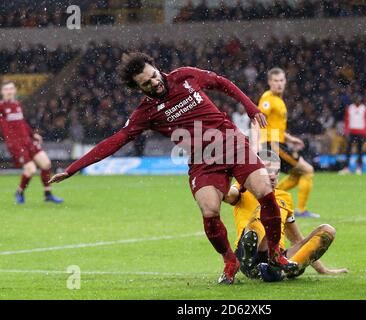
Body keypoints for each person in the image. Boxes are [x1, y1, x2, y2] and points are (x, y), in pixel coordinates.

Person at [49, 52, 297, 284]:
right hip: (203, 160)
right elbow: (115, 140)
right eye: (147, 83)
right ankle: (229, 261)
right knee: (209, 210)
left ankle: (275, 252)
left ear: (156, 68)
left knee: (265, 190)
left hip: (231, 143)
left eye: (154, 75)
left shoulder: (185, 76)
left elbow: (222, 82)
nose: (155, 82)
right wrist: (73, 168)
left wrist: (250, 107)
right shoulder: (145, 113)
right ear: (138, 88)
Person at [225, 149, 348, 281]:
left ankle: (281, 270)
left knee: (327, 231)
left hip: (277, 256)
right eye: (267, 171)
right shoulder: (242, 188)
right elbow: (226, 195)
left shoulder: (285, 197)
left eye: (276, 172)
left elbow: (296, 239)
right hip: (247, 252)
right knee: (266, 208)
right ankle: (252, 263)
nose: (272, 176)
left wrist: (323, 270)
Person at [257, 68, 319, 218]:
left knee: (297, 174)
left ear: (285, 81)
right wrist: (258, 144)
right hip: (272, 144)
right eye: (275, 81)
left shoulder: (279, 100)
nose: (279, 84)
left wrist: (290, 138)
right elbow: (258, 120)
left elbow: (274, 125)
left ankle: (270, 199)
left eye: (281, 80)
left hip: (278, 142)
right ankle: (301, 210)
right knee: (307, 170)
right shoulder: (268, 99)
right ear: (269, 82)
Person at [0, 81, 63, 204]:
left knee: (46, 164)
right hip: (16, 144)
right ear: (2, 92)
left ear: (14, 91)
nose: (9, 91)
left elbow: (22, 123)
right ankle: (20, 191)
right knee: (31, 169)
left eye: (11, 88)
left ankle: (48, 194)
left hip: (27, 141)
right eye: (6, 89)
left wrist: (33, 134)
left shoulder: (17, 105)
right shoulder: (1, 107)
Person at [339, 94, 366, 175]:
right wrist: (346, 130)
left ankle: (359, 167)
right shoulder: (350, 108)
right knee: (348, 150)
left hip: (361, 132)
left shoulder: (364, 108)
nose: (357, 101)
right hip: (352, 132)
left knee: (360, 150)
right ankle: (346, 167)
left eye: (359, 100)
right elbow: (346, 120)